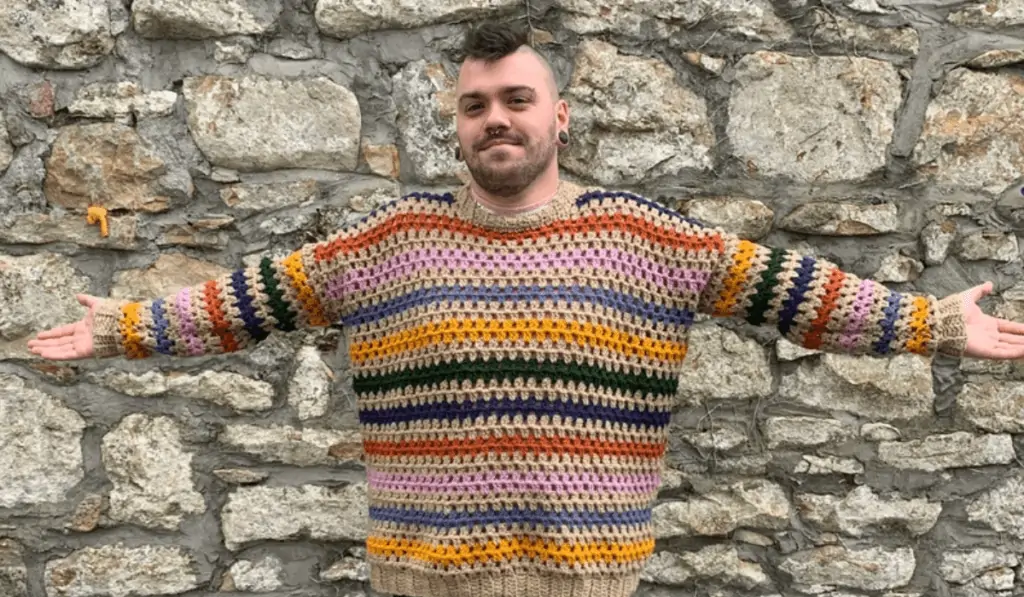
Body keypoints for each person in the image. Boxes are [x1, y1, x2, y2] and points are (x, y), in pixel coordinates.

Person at [27, 19, 1024, 597]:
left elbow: (799, 295)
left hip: (589, 581)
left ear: (558, 116)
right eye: (475, 106)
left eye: (514, 99)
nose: (495, 118)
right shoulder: (387, 243)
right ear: (456, 124)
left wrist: (931, 324)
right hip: (423, 581)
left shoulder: (646, 239)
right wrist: (124, 326)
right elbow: (252, 301)